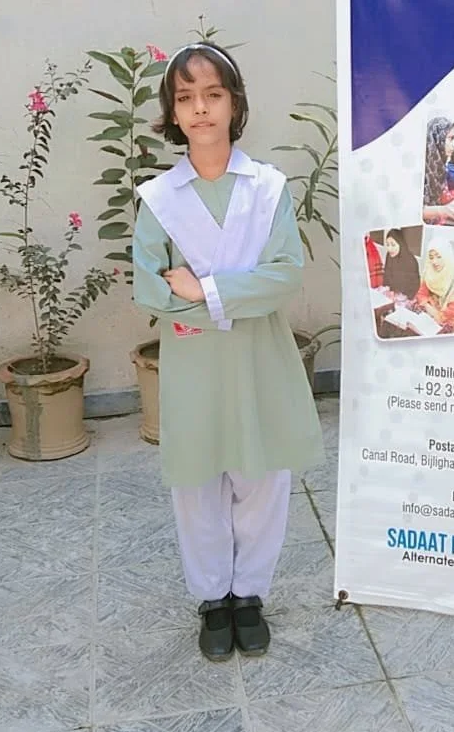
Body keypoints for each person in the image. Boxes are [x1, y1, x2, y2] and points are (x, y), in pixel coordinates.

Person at [133, 42, 324, 662]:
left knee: (263, 475)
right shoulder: (159, 200)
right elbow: (150, 287)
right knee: (197, 479)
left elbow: (285, 275)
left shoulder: (268, 190)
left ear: (234, 103)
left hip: (259, 359)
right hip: (193, 366)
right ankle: (213, 598)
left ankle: (250, 596)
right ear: (171, 113)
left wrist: (205, 290)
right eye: (185, 98)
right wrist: (228, 297)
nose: (200, 108)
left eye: (213, 94)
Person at [422, 117, 454, 225]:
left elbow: (443, 196)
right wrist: (440, 210)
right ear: (437, 138)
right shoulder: (419, 169)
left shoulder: (440, 168)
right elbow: (410, 211)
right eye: (451, 138)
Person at [413, 241, 454, 333]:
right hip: (429, 311)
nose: (434, 262)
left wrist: (436, 314)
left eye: (439, 257)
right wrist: (428, 307)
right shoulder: (429, 271)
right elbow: (421, 293)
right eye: (431, 257)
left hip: (448, 319)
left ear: (447, 256)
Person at [382, 229, 420, 300]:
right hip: (391, 295)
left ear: (401, 244)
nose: (390, 249)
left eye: (393, 245)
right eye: (387, 244)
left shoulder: (410, 261)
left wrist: (402, 297)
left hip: (405, 298)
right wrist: (389, 290)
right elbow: (386, 275)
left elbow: (414, 285)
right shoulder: (389, 255)